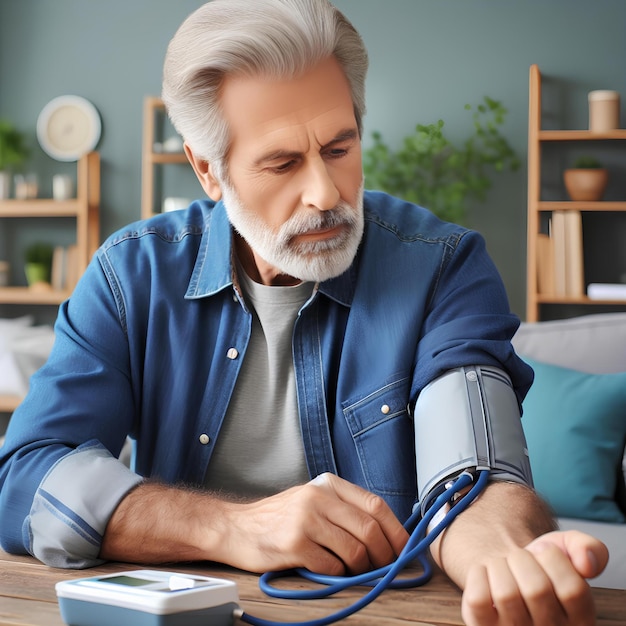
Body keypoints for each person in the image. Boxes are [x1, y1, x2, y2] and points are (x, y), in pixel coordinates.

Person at [0, 1, 608, 624]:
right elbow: (26, 478)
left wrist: (499, 557)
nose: (325, 193)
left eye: (339, 148)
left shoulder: (443, 266)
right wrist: (230, 528)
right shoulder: (130, 275)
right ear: (208, 170)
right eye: (283, 163)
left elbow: (477, 470)